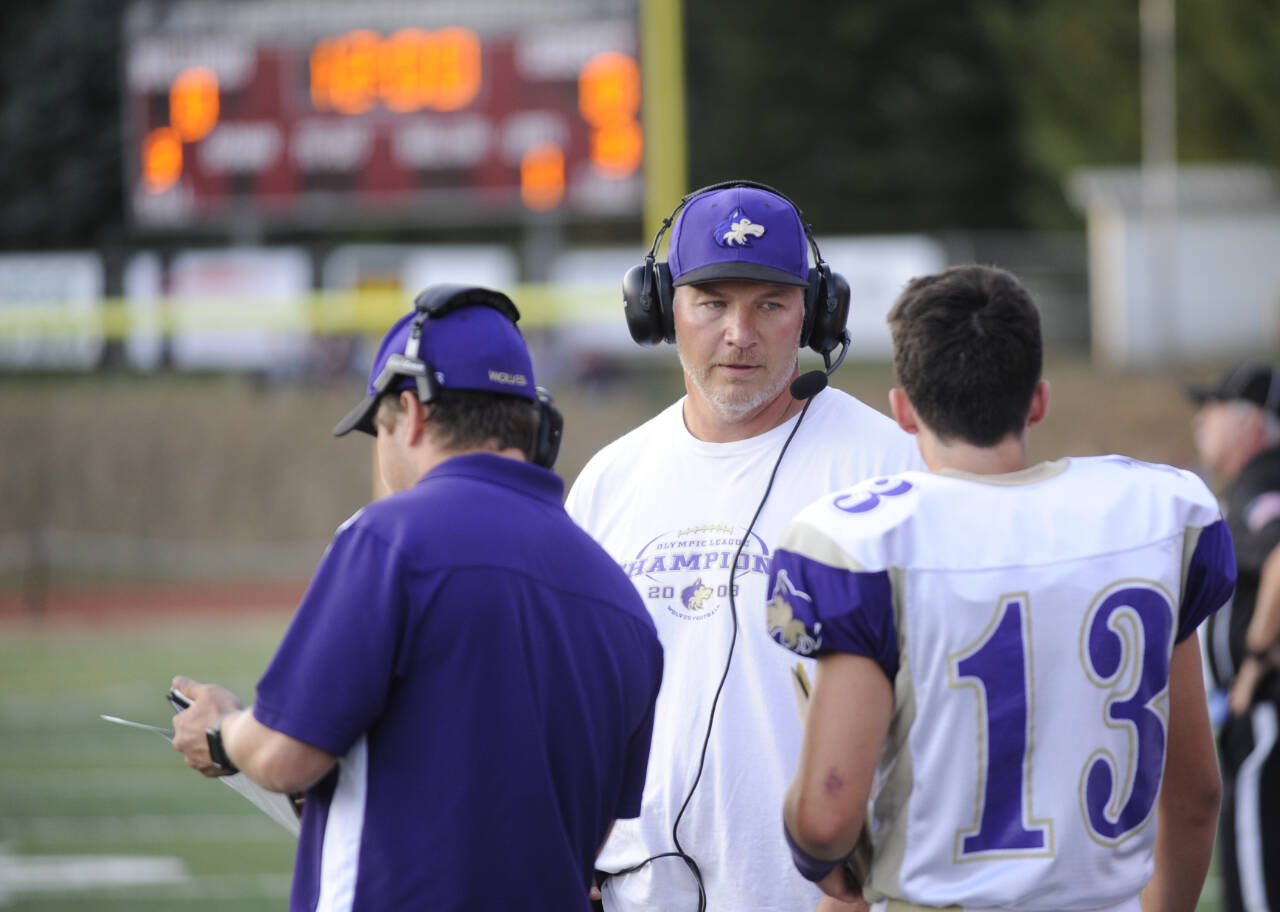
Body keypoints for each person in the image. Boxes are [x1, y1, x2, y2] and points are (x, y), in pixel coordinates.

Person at [171, 284, 664, 912]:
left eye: (380, 428)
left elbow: (281, 755)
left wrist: (220, 728)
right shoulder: (617, 596)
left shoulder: (388, 538)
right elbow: (581, 829)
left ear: (414, 412)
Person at [769, 264, 1235, 912]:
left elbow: (827, 814)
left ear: (904, 410)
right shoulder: (1154, 516)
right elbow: (1195, 797)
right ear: (1037, 401)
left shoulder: (867, 545)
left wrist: (820, 857)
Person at [565, 181, 923, 911]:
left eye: (769, 304)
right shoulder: (609, 481)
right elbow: (572, 703)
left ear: (816, 313)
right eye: (713, 302)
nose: (740, 332)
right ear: (662, 309)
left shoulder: (892, 469)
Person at [1189, 361, 1280, 912]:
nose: (1201, 419)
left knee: (1258, 886)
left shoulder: (1261, 483)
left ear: (1251, 422)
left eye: (1214, 407)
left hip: (1267, 712)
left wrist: (1252, 662)